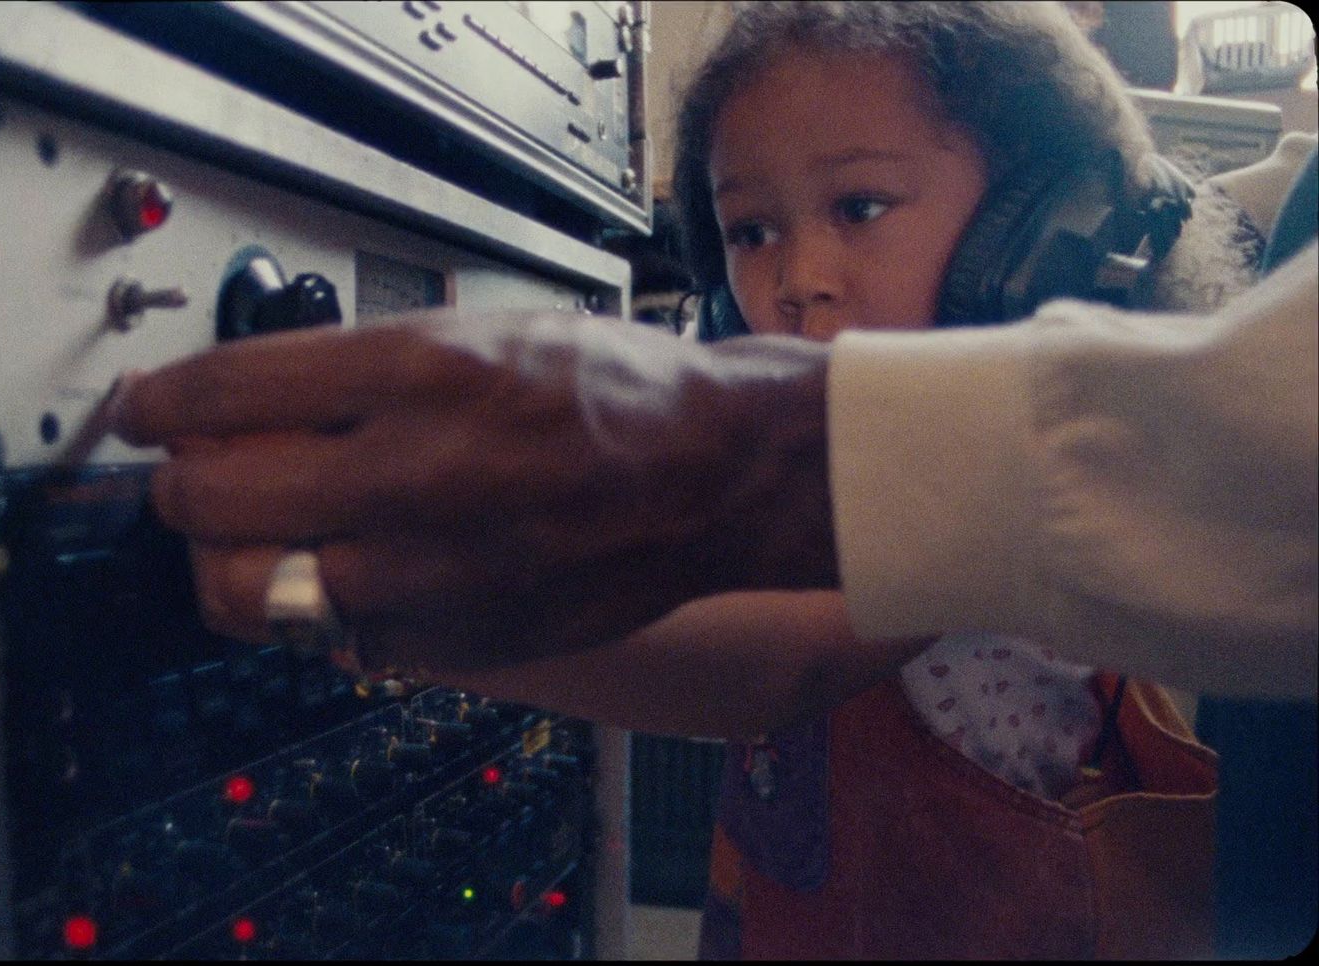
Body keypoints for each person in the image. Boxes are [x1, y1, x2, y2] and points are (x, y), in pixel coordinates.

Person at [111, 0, 1316, 955]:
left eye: (858, 206)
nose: (796, 275)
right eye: (750, 231)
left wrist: (377, 611)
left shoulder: (991, 516)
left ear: (1045, 236)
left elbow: (769, 662)